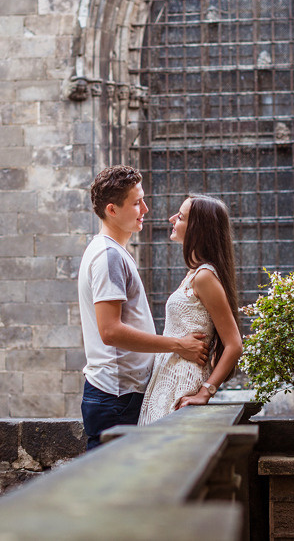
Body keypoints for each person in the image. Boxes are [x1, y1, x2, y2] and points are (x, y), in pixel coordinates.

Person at [77, 166, 208, 450]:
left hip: (119, 396)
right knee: (112, 489)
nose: (145, 209)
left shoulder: (112, 251)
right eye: (136, 203)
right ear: (112, 210)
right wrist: (178, 345)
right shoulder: (108, 256)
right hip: (117, 397)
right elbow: (110, 331)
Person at [138, 194, 243, 425]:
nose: (172, 218)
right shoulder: (195, 274)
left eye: (181, 216)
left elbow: (234, 344)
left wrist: (206, 391)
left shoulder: (205, 276)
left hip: (181, 383)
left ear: (198, 229)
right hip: (166, 379)